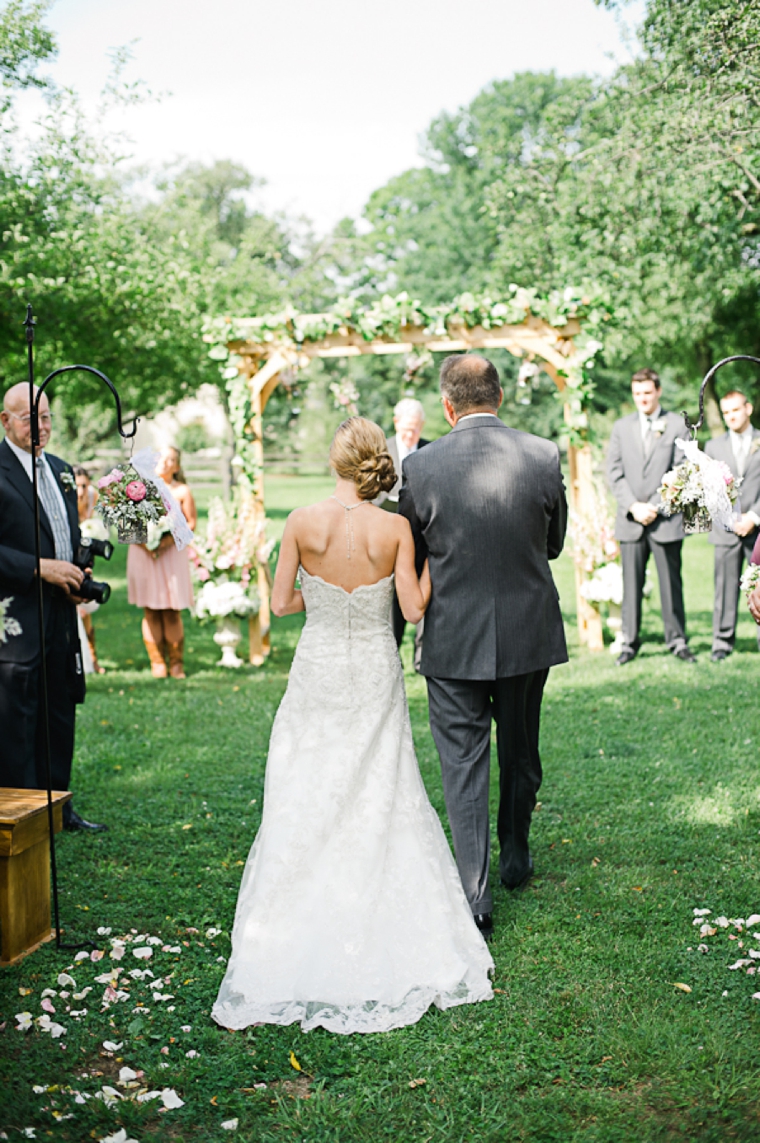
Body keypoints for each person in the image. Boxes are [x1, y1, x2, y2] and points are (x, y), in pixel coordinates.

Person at [212, 417, 494, 1035]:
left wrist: (276, 573)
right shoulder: (394, 528)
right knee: (380, 787)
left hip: (316, 669)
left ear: (335, 462)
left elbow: (283, 605)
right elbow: (414, 610)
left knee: (307, 779)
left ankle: (294, 914)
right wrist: (431, 565)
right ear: (377, 465)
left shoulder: (300, 523)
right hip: (372, 667)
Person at [398, 354, 568, 942]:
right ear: (498, 397)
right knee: (521, 748)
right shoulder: (543, 455)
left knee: (462, 764)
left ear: (448, 406)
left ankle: (476, 893)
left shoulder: (419, 468)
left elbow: (412, 558)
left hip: (451, 636)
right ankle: (515, 844)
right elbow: (554, 544)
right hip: (527, 632)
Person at [0, 383, 106, 831]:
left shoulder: (62, 470)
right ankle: (22, 818)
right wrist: (39, 568)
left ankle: (58, 809)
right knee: (18, 720)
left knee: (59, 713)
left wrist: (77, 574)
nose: (41, 427)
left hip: (61, 616)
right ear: (5, 421)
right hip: (15, 617)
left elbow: (65, 534)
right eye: (30, 418)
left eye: (45, 418)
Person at [606, 367, 696, 665]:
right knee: (630, 584)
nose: (642, 398)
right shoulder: (621, 427)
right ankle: (629, 642)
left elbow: (681, 471)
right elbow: (614, 474)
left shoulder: (676, 425)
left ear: (657, 391)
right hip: (631, 520)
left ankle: (677, 640)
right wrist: (634, 506)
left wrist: (656, 505)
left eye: (647, 392)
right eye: (637, 394)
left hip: (665, 519)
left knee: (671, 583)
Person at [127, 446, 196, 678]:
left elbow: (191, 522)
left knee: (171, 610)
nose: (166, 463)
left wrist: (167, 541)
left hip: (171, 554)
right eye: (162, 459)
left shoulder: (183, 491)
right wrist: (147, 544)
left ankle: (177, 663)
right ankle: (157, 662)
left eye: (172, 460)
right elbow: (128, 523)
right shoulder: (137, 489)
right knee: (151, 609)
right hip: (143, 554)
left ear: (177, 466)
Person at [704, 390, 760, 660]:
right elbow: (710, 490)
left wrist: (753, 517)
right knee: (724, 590)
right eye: (726, 413)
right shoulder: (713, 447)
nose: (731, 417)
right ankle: (722, 643)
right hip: (726, 530)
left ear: (747, 408)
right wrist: (731, 518)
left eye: (735, 410)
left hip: (757, 531)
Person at [375, 398, 430, 658]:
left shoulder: (432, 451)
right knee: (393, 604)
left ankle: (423, 655)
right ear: (396, 423)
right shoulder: (381, 453)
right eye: (406, 428)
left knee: (427, 599)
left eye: (416, 429)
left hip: (426, 543)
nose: (410, 435)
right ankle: (391, 655)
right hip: (389, 546)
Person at [73, 465, 105, 675]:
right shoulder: (66, 502)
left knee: (87, 612)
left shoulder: (93, 500)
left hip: (87, 562)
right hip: (69, 562)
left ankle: (92, 656)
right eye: (78, 486)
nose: (81, 491)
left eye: (84, 485)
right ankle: (81, 658)